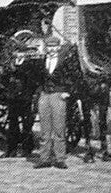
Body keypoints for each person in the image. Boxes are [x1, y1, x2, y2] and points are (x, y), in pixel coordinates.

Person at [32, 35, 71, 169]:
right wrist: (39, 94)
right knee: (45, 129)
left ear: (58, 47)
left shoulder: (63, 61)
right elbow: (37, 78)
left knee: (59, 129)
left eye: (54, 46)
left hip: (58, 95)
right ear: (46, 47)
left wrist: (67, 91)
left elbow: (71, 76)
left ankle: (60, 159)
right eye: (49, 47)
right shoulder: (42, 61)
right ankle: (44, 159)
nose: (52, 49)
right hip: (44, 95)